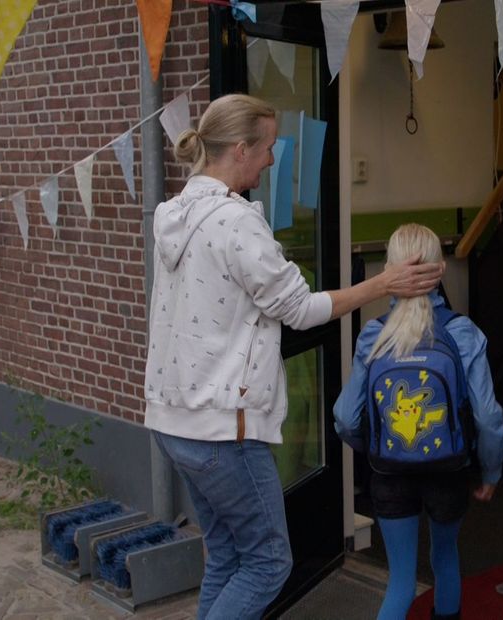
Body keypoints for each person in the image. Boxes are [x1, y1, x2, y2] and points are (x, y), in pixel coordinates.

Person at [143, 94, 443, 620]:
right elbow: (299, 309)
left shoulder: (174, 213)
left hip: (174, 423)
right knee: (267, 562)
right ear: (240, 150)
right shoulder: (235, 223)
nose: (273, 160)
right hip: (222, 432)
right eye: (267, 147)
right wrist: (383, 282)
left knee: (228, 557)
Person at [334, 224, 503, 620]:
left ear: (391, 270)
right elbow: (487, 416)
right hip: (450, 468)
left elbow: (345, 417)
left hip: (389, 473)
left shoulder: (373, 337)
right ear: (441, 270)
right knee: (445, 558)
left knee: (400, 581)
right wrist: (491, 471)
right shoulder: (463, 333)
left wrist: (376, 446)